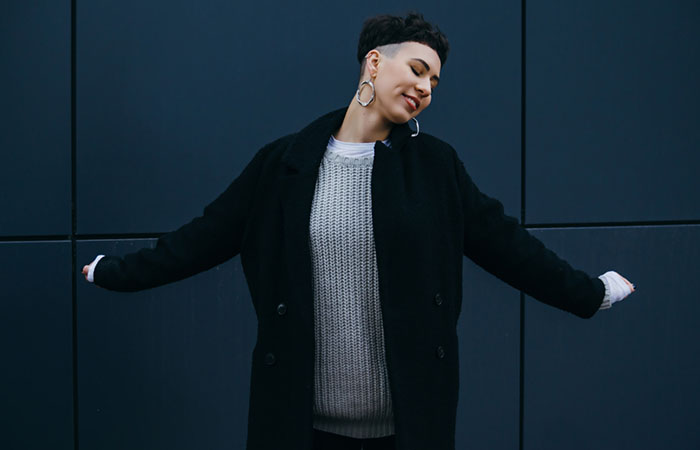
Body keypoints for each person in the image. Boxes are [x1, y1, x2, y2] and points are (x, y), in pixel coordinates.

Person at [82, 12, 635, 450]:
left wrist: (590, 292)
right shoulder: (284, 164)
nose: (426, 88)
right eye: (417, 69)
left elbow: (508, 246)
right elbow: (202, 238)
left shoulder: (435, 167)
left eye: (435, 82)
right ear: (374, 62)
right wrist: (115, 271)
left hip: (408, 429)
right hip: (301, 428)